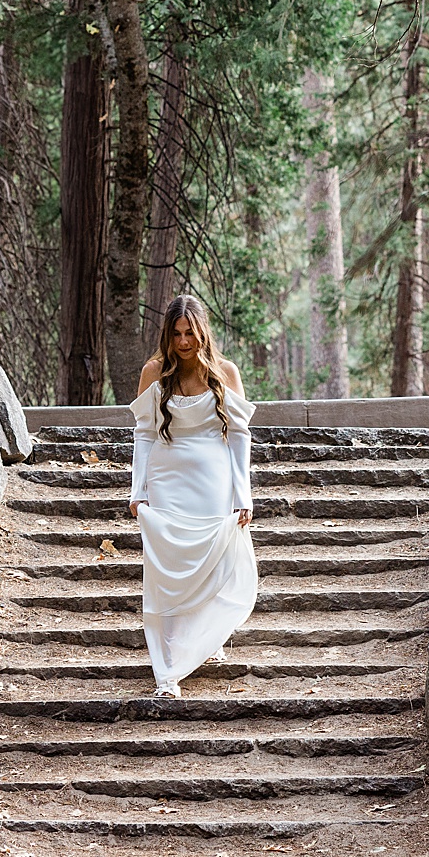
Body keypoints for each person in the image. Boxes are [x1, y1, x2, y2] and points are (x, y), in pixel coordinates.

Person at [126, 294, 258, 698]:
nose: (184, 342)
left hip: (213, 482)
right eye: (177, 334)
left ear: (203, 332)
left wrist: (243, 494)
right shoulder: (154, 372)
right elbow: (145, 433)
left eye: (191, 333)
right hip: (168, 481)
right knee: (167, 570)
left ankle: (206, 637)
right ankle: (167, 670)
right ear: (168, 334)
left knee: (212, 564)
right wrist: (138, 490)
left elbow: (238, 436)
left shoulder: (225, 372)